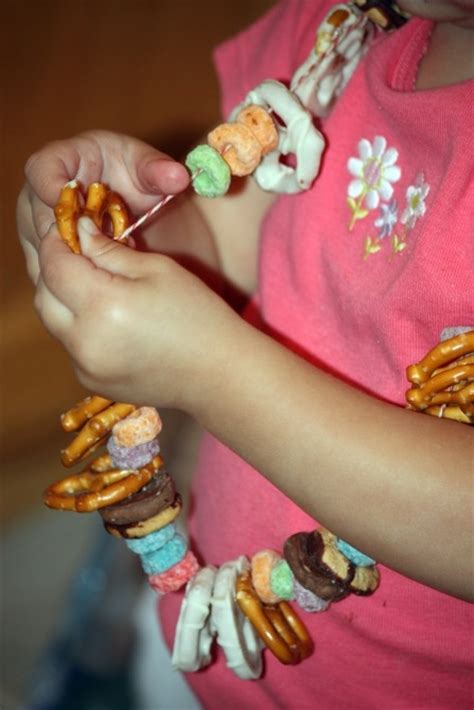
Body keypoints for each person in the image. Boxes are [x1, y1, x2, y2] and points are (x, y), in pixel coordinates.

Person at [17, 0, 473, 707]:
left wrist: (215, 371)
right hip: (203, 625)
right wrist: (120, 243)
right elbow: (237, 247)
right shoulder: (347, 34)